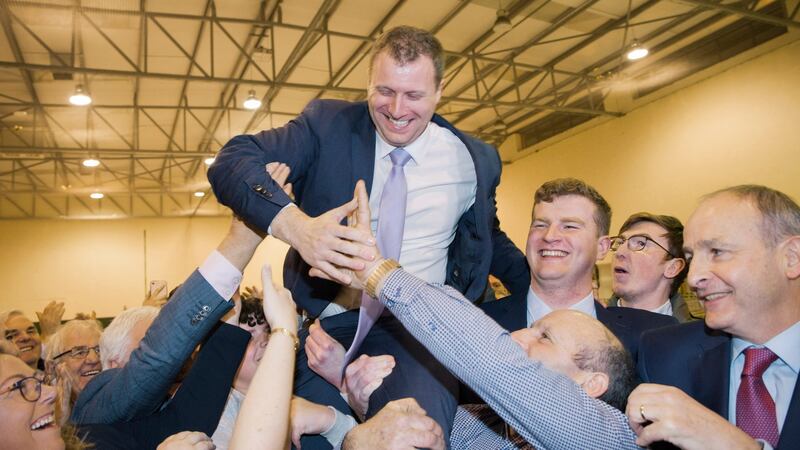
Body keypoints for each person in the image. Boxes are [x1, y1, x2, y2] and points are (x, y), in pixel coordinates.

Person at [208, 25, 527, 446]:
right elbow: (231, 161)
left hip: (417, 333)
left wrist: (550, 294)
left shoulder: (474, 160)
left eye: (413, 95)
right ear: (367, 82)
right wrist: (300, 230)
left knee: (415, 435)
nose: (396, 109)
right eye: (384, 91)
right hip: (328, 328)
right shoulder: (327, 126)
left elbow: (489, 238)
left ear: (440, 90)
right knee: (301, 435)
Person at [317, 181, 641, 449]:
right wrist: (353, 389)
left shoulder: (611, 437)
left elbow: (505, 368)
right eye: (540, 224)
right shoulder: (488, 430)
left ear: (592, 383)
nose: (517, 334)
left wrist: (377, 272)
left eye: (544, 337)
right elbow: (426, 431)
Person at [629, 185, 800, 449]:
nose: (695, 277)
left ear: (792, 257)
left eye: (717, 252)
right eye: (691, 257)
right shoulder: (663, 356)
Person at [71, 216, 266, 425]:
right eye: (150, 343)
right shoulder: (97, 406)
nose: (173, 351)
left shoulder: (173, 402)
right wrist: (239, 242)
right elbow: (158, 358)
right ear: (113, 364)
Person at [481, 178, 677, 361]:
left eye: (569, 226)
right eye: (540, 224)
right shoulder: (480, 325)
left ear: (602, 248)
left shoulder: (653, 335)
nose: (549, 236)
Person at [607, 212, 696, 322]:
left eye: (640, 243)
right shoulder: (584, 327)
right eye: (620, 243)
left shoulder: (707, 337)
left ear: (673, 268)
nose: (620, 252)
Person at [43, 319, 103, 423]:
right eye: (79, 352)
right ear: (52, 368)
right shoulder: (41, 413)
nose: (94, 359)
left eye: (99, 350)